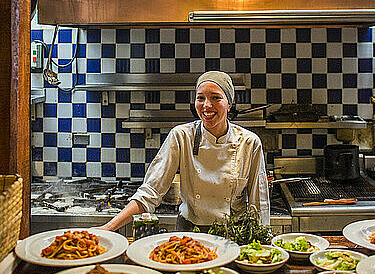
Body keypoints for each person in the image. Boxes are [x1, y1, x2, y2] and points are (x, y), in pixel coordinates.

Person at [98, 71, 270, 232]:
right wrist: (106, 229)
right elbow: (150, 192)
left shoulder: (249, 143)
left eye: (216, 98)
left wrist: (261, 249)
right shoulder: (181, 136)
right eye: (200, 98)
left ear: (229, 105)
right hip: (189, 234)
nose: (206, 105)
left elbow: (259, 203)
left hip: (232, 235)